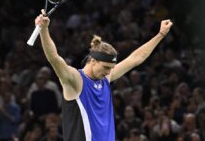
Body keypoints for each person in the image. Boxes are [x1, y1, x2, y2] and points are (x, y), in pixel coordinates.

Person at [34, 9, 173, 141]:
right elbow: (54, 58)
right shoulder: (75, 80)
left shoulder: (105, 78)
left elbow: (136, 58)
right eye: (106, 67)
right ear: (93, 61)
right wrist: (44, 30)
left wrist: (160, 35)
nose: (108, 72)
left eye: (111, 68)